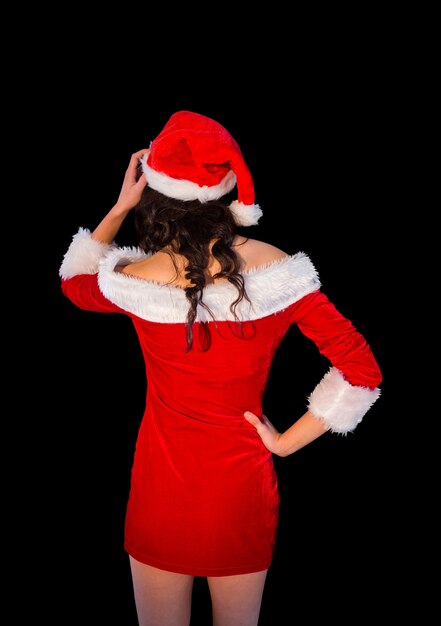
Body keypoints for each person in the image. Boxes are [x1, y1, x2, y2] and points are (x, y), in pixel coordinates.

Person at [59, 110, 382, 626]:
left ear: (157, 195)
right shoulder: (281, 271)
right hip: (240, 492)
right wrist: (285, 442)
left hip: (160, 492)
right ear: (226, 191)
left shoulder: (136, 277)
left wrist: (120, 206)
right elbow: (362, 372)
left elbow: (74, 281)